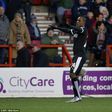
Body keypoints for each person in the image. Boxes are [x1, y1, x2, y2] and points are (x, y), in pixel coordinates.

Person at [51, 16, 88, 102]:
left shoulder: (83, 30)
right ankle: (76, 95)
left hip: (80, 56)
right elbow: (67, 30)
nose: (77, 21)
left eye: (79, 20)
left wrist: (69, 25)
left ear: (83, 22)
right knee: (72, 74)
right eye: (77, 20)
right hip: (76, 56)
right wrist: (56, 28)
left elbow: (76, 29)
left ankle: (77, 96)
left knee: (73, 74)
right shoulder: (76, 30)